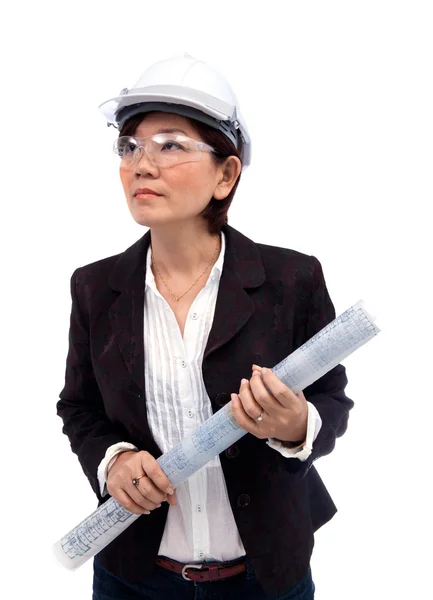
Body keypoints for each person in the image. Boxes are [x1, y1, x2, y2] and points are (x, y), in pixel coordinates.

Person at [56, 53, 354, 600]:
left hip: (265, 575)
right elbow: (79, 407)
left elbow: (332, 403)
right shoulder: (95, 288)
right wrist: (113, 460)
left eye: (170, 144)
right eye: (130, 145)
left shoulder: (292, 279)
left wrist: (294, 426)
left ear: (226, 173)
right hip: (135, 577)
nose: (141, 164)